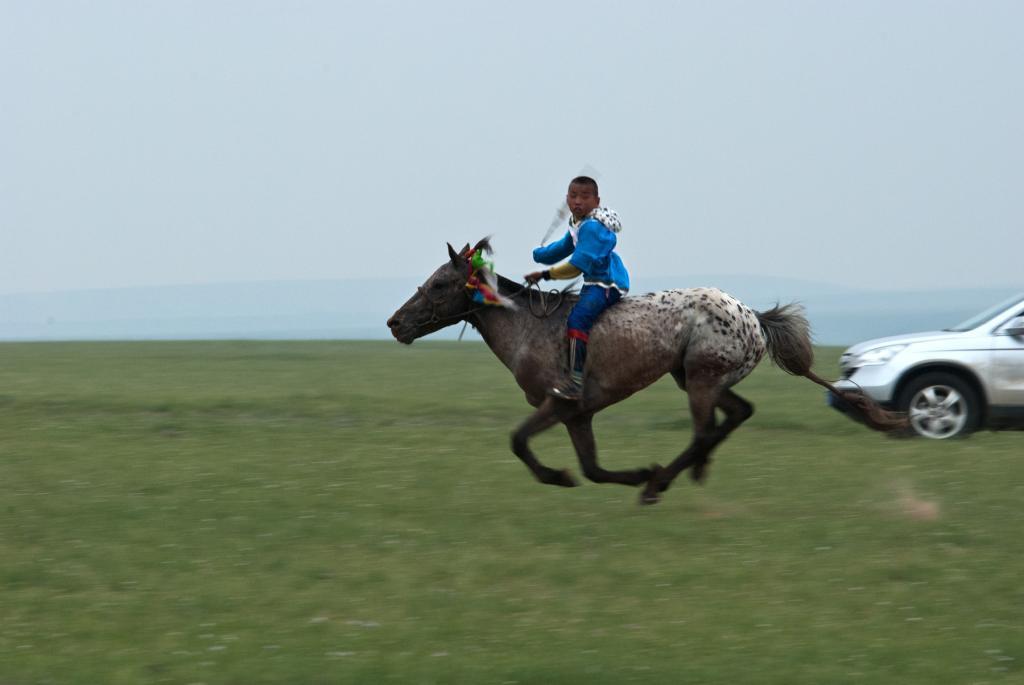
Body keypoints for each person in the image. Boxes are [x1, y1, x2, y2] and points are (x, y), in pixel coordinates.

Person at [525, 176, 630, 401]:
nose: (578, 201)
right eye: (573, 196)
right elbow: (564, 247)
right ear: (567, 200)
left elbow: (575, 266)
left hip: (606, 284)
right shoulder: (577, 224)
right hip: (593, 282)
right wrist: (540, 255)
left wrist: (545, 274)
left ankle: (576, 382)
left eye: (585, 196)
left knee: (577, 321)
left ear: (597, 201)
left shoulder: (592, 228)